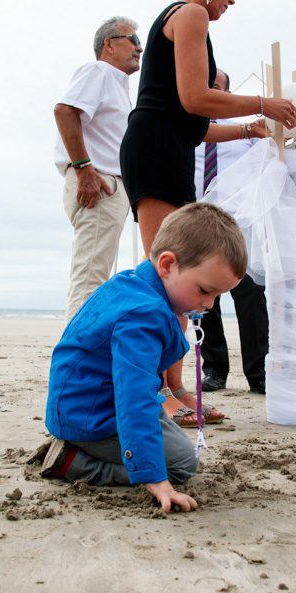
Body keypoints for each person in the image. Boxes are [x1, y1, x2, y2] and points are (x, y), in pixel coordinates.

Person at [119, 0, 296, 424]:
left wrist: (246, 127)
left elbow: (193, 124)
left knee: (177, 275)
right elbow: (196, 96)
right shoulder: (191, 13)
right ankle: (162, 392)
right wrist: (265, 102)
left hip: (166, 145)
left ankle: (175, 387)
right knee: (167, 274)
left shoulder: (187, 21)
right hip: (154, 148)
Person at [41, 203, 247, 514]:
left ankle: (88, 450)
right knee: (182, 464)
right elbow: (132, 396)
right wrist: (154, 476)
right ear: (167, 265)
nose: (208, 305)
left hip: (84, 403)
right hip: (91, 416)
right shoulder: (143, 315)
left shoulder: (132, 284)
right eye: (205, 291)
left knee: (170, 441)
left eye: (217, 296)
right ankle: (72, 462)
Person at [54, 16, 143, 321]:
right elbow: (65, 110)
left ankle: (83, 362)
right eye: (132, 39)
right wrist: (84, 169)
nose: (140, 48)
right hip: (98, 184)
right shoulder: (99, 71)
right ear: (109, 43)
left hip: (108, 185)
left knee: (96, 280)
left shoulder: (116, 85)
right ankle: (76, 367)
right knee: (89, 284)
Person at [194, 68, 268, 394]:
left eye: (219, 87)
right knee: (203, 298)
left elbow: (268, 166)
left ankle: (259, 372)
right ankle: (214, 370)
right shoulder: (187, 129)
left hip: (239, 223)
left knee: (249, 294)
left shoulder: (248, 130)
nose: (213, 90)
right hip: (197, 219)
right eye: (207, 85)